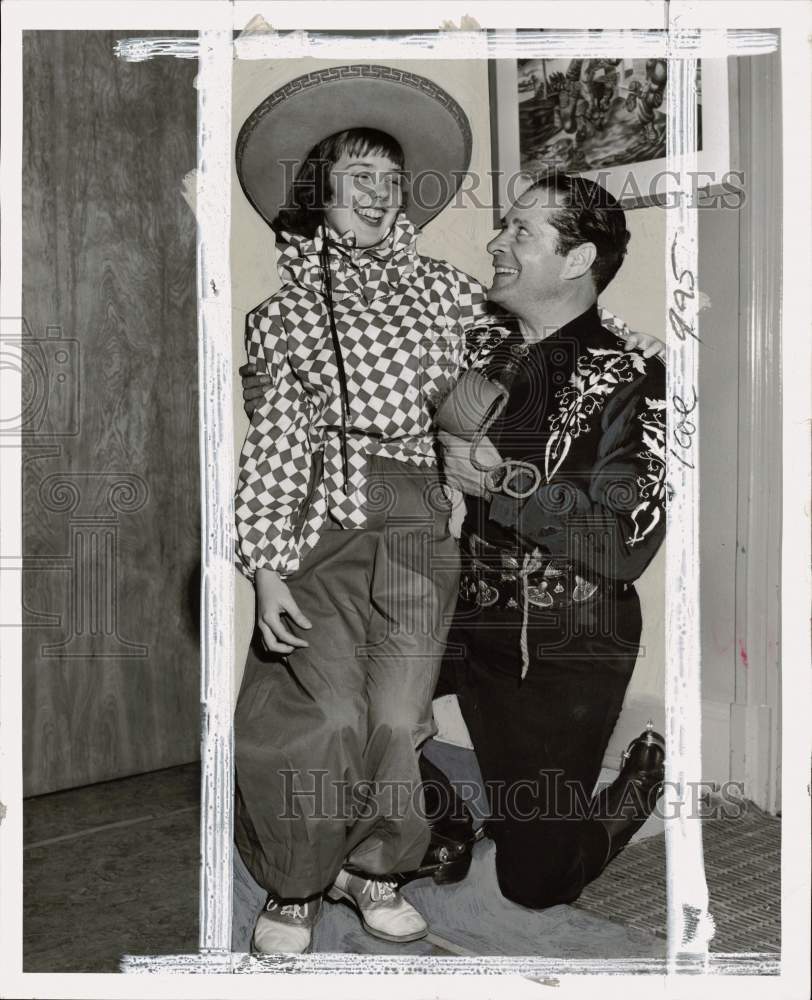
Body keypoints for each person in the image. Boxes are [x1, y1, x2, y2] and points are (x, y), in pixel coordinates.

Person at [234, 67, 664, 953]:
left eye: (390, 181)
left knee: (453, 784)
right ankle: (328, 869)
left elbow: (618, 537)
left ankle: (404, 858)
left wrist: (508, 472)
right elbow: (297, 414)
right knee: (337, 713)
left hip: (491, 580)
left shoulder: (596, 360)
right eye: (359, 178)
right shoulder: (349, 316)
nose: (381, 196)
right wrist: (272, 547)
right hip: (384, 550)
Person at [436, 169, 667, 909]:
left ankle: (635, 788)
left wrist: (503, 484)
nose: (495, 242)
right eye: (503, 226)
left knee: (534, 883)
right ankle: (443, 827)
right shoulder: (473, 346)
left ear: (576, 260)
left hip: (568, 640)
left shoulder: (639, 375)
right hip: (462, 614)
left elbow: (624, 543)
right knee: (326, 681)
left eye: (520, 232)